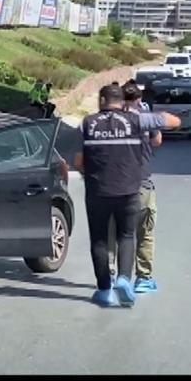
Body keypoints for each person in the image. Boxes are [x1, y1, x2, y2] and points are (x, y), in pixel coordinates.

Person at [73, 84, 180, 307]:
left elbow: (78, 162)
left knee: (100, 240)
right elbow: (173, 121)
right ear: (121, 102)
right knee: (127, 236)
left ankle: (104, 290)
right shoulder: (136, 120)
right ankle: (124, 278)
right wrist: (144, 112)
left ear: (101, 101)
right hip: (129, 191)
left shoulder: (87, 124)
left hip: (98, 192)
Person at [106, 81, 162, 293]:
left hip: (113, 187)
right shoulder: (145, 119)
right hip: (141, 186)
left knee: (112, 233)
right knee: (144, 232)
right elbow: (157, 141)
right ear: (138, 100)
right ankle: (143, 278)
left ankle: (109, 277)